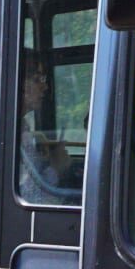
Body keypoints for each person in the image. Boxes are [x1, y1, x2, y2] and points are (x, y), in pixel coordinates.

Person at [16, 67, 78, 204]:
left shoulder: (22, 125)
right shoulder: (9, 130)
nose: (45, 87)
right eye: (37, 79)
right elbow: (28, 197)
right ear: (18, 84)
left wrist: (47, 159)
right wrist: (56, 167)